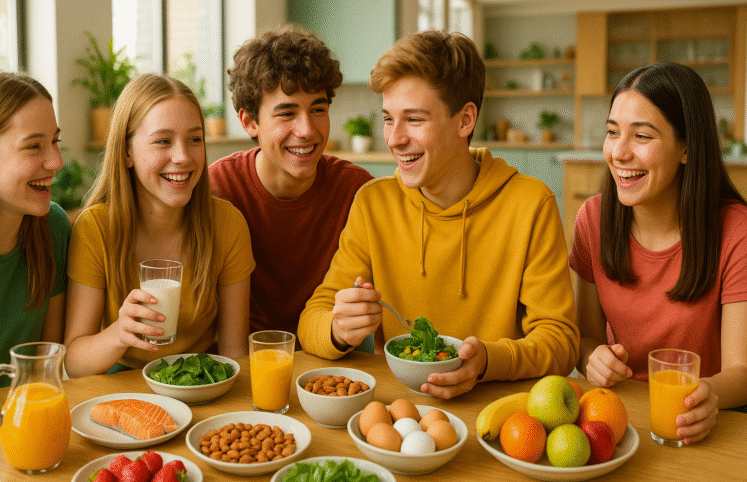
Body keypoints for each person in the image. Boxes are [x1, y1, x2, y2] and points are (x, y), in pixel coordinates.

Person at [297, 30, 579, 399]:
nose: (394, 138)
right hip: (402, 408)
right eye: (388, 119)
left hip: (495, 409)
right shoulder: (373, 204)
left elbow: (560, 341)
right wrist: (338, 328)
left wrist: (488, 361)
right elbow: (311, 320)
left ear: (465, 121)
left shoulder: (530, 204)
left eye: (413, 119)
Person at [571, 62, 747, 443]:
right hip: (619, 417)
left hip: (705, 421)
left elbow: (741, 369)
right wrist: (592, 360)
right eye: (612, 132)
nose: (618, 152)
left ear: (686, 148)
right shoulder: (592, 220)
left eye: (642, 137)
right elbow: (585, 337)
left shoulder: (735, 231)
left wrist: (709, 396)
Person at [64, 74, 254, 377]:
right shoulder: (96, 229)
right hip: (119, 381)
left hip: (197, 378)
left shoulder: (227, 225)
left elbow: (234, 350)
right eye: (162, 141)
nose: (182, 157)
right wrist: (118, 334)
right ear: (127, 152)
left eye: (194, 139)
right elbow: (73, 362)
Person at [208, 25, 373, 342]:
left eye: (318, 110)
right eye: (287, 113)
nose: (308, 130)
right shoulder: (218, 188)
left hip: (330, 363)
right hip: (241, 364)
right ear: (249, 122)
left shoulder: (357, 191)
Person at [0, 72, 70, 388]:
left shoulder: (53, 227)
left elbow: (45, 374)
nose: (56, 161)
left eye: (55, 141)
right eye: (33, 146)